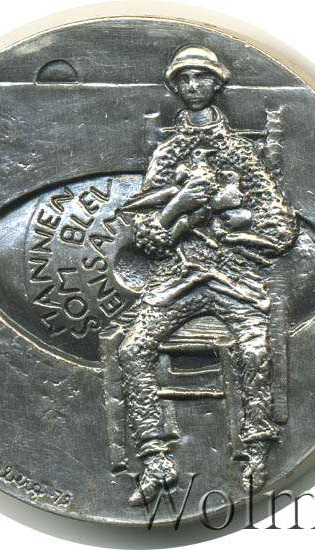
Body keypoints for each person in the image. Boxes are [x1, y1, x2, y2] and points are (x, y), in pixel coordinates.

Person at [119, 45, 298, 505]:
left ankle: (255, 448)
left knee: (254, 348)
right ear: (175, 88)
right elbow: (146, 236)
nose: (193, 86)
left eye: (202, 78)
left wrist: (237, 223)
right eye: (184, 79)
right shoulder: (167, 153)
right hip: (177, 279)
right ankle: (156, 459)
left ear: (217, 83)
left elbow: (280, 226)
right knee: (133, 348)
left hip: (234, 277)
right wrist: (177, 208)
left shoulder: (240, 152)